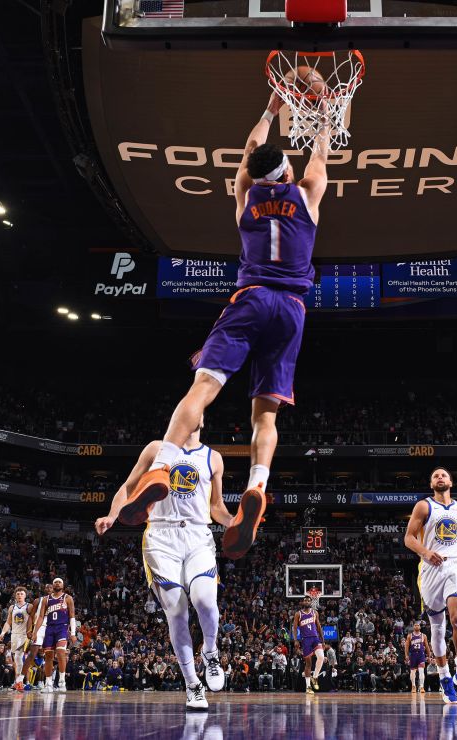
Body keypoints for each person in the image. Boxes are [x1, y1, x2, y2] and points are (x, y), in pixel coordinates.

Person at [110, 88, 331, 562]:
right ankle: (257, 485)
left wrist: (271, 107)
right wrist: (324, 112)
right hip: (291, 308)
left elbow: (251, 151)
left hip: (249, 299)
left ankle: (163, 465)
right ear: (289, 174)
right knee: (265, 414)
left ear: (254, 174)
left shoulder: (245, 195)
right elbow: (321, 151)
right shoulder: (309, 193)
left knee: (202, 388)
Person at [96, 424, 234, 711]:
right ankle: (192, 684)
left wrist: (235, 523)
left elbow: (217, 506)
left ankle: (210, 651)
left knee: (205, 600)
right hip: (160, 536)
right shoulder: (156, 448)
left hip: (198, 535)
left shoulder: (214, 458)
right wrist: (112, 515)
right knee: (177, 610)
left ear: (203, 419)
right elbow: (128, 487)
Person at [403, 467, 457, 704]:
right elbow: (408, 538)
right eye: (435, 475)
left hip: (455, 565)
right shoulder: (424, 506)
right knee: (437, 628)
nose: (440, 477)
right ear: (431, 484)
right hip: (429, 570)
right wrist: (426, 552)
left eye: (444, 475)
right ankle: (444, 676)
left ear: (451, 481)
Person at [30, 578, 76, 693]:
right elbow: (40, 617)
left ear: (63, 585)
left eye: (59, 582)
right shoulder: (46, 599)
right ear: (52, 585)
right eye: (55, 582)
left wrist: (73, 633)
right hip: (49, 628)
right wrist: (35, 632)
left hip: (62, 628)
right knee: (48, 657)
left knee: (61, 652)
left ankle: (61, 681)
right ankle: (48, 683)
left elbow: (72, 616)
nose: (57, 583)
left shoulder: (68, 598)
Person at [0, 586, 31, 691]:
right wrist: (3, 632)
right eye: (17, 594)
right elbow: (8, 622)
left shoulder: (29, 606)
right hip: (14, 635)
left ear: (25, 595)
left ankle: (19, 682)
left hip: (24, 635)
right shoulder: (12, 607)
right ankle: (17, 681)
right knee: (16, 659)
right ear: (15, 596)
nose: (19, 595)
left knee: (18, 656)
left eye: (21, 594)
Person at [292, 596, 326, 694]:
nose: (307, 602)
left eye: (309, 600)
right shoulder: (298, 614)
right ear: (302, 602)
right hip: (305, 640)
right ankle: (308, 687)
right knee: (308, 664)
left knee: (321, 657)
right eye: (305, 600)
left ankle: (314, 677)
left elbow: (319, 626)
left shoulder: (315, 612)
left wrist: (323, 640)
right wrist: (295, 640)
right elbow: (294, 628)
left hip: (315, 638)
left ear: (311, 602)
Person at [404, 621, 429, 694]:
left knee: (421, 671)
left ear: (420, 627)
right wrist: (406, 655)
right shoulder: (409, 635)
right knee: (412, 672)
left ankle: (421, 687)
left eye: (418, 625)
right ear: (413, 627)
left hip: (421, 654)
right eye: (415, 625)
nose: (416, 626)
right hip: (413, 655)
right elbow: (406, 646)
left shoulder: (423, 636)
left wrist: (429, 654)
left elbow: (427, 646)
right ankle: (413, 686)